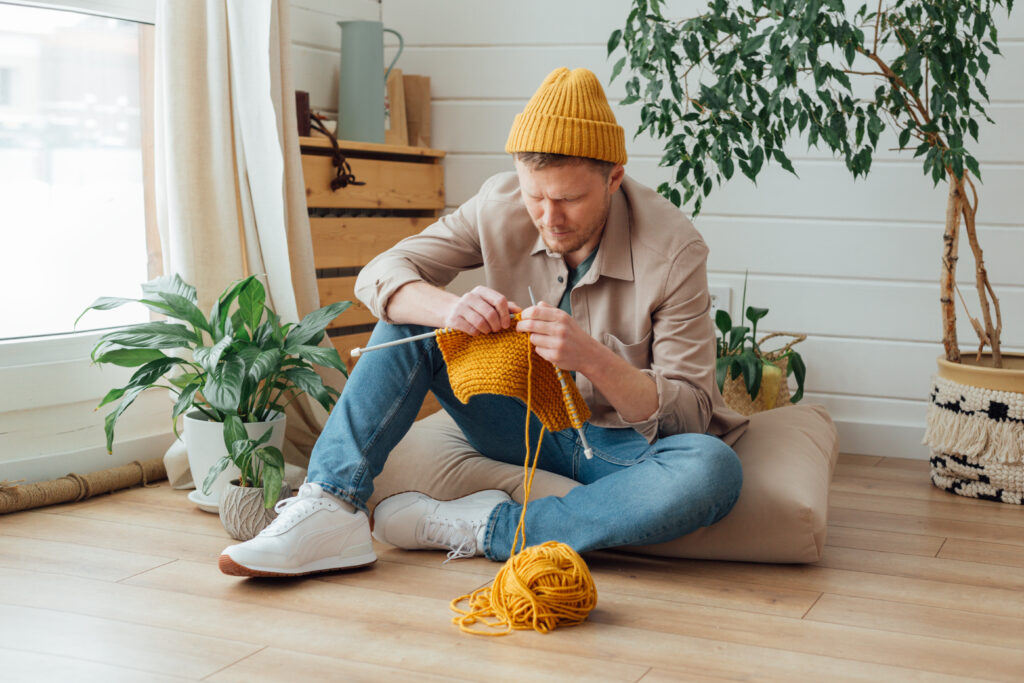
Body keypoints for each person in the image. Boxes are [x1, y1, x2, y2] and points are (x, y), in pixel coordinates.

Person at [218, 67, 749, 577]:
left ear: (614, 178)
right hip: (517, 420)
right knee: (407, 322)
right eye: (535, 195)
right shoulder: (498, 204)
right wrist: (449, 309)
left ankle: (482, 527)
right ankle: (330, 507)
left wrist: (594, 359)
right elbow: (380, 274)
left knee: (712, 470)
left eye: (568, 199)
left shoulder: (674, 250)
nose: (548, 217)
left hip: (621, 446)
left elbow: (692, 414)